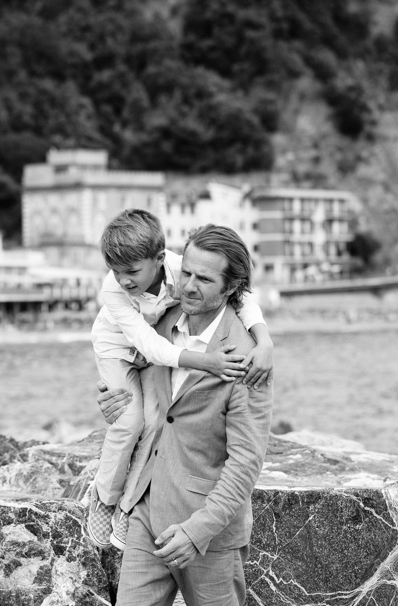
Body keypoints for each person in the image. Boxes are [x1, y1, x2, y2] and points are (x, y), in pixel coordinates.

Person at [97, 224, 274, 606]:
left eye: (205, 279)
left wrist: (199, 530)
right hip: (146, 511)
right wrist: (112, 396)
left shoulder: (248, 357)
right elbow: (133, 376)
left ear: (232, 287)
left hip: (209, 531)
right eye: (187, 273)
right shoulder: (158, 320)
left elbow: (246, 462)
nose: (188, 286)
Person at [88, 209, 274, 551]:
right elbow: (148, 344)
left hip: (156, 353)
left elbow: (243, 296)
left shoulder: (180, 268)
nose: (124, 280)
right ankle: (104, 496)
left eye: (131, 271)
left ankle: (128, 506)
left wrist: (264, 341)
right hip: (119, 350)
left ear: (159, 259)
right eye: (115, 271)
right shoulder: (113, 290)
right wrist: (206, 362)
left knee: (156, 421)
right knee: (129, 423)